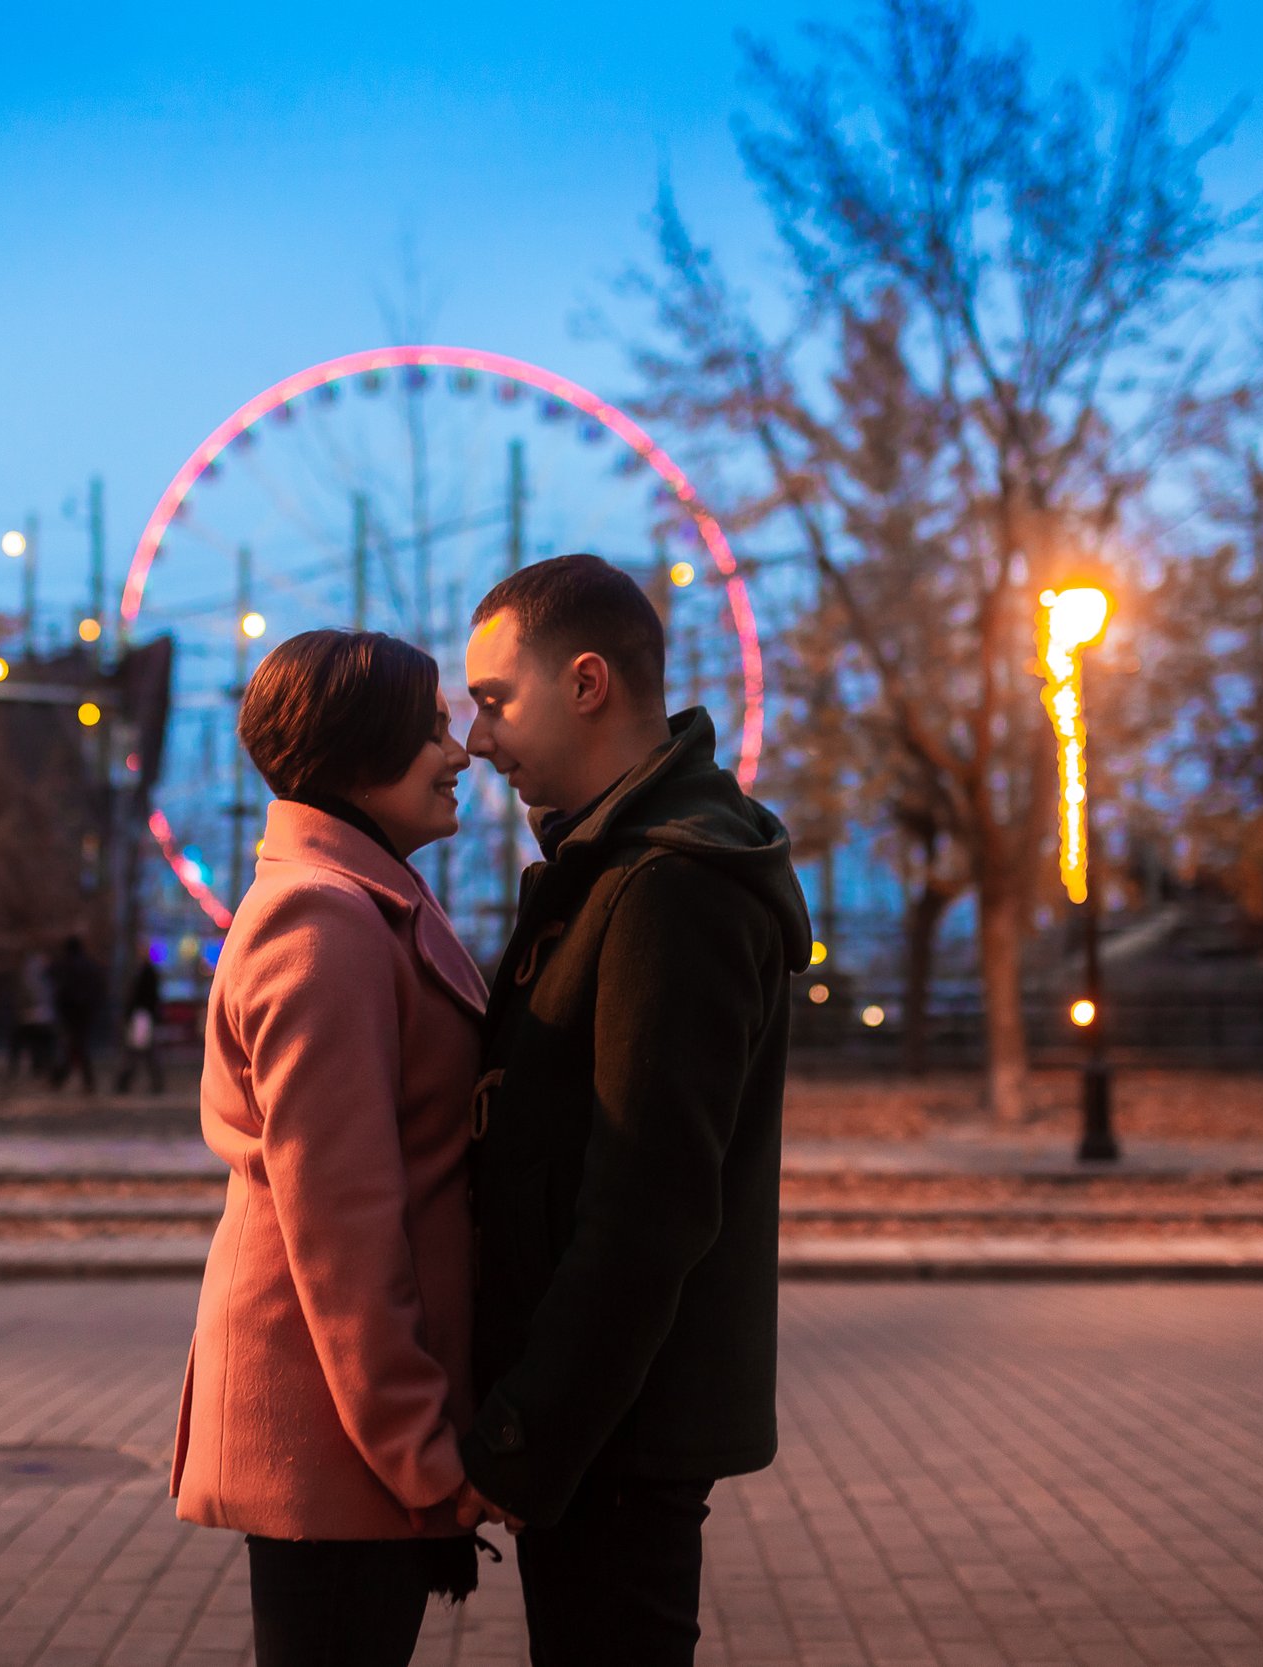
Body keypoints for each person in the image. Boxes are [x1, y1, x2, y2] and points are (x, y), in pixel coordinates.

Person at [453, 553, 810, 1665]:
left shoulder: (670, 888)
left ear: (589, 681)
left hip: (615, 1425)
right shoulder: (622, 866)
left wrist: (525, 1433)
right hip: (607, 1422)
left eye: (494, 700)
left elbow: (646, 1204)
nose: (476, 738)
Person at [171, 628, 498, 1667]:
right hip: (342, 1434)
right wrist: (422, 1455)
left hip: (349, 1427)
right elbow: (341, 1226)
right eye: (434, 729)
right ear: (361, 753)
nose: (461, 753)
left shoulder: (363, 898)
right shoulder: (322, 922)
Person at [51, 935, 105, 1092]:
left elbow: (62, 989)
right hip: (85, 1013)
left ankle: (63, 1078)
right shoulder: (89, 966)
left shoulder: (68, 966)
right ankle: (66, 1079)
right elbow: (99, 989)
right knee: (76, 1046)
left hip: (72, 1012)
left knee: (75, 1045)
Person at [4, 947, 55, 1087]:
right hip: (36, 1016)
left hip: (32, 1016)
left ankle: (24, 1069)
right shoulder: (38, 977)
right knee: (36, 1045)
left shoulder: (32, 975)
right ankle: (36, 1070)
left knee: (28, 1044)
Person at [114, 958, 166, 1093]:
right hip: (144, 1016)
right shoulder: (150, 977)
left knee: (135, 1052)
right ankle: (153, 1083)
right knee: (143, 1052)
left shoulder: (141, 976)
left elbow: (134, 998)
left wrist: (127, 1014)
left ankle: (124, 1083)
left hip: (140, 1017)